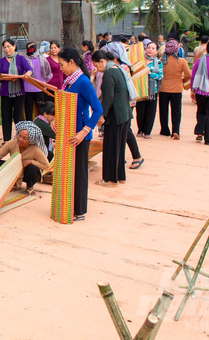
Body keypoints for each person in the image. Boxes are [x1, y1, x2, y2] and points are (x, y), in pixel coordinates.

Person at [58, 48, 103, 219]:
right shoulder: (69, 81)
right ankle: (69, 205)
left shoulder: (83, 82)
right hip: (68, 134)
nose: (60, 68)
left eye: (62, 64)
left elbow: (98, 110)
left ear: (71, 62)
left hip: (79, 136)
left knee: (79, 174)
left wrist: (84, 132)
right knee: (70, 172)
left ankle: (80, 210)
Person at [93, 49, 131, 186]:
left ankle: (110, 179)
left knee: (111, 147)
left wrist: (101, 115)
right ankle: (120, 176)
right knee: (119, 147)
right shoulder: (118, 69)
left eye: (97, 66)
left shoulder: (109, 73)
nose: (97, 69)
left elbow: (108, 97)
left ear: (102, 61)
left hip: (115, 115)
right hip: (124, 113)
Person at [105, 42, 144, 170]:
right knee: (124, 131)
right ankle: (121, 158)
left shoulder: (121, 67)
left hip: (124, 103)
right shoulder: (121, 66)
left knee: (125, 130)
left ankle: (137, 156)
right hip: (126, 101)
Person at [0, 121, 50, 193]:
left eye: (24, 138)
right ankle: (8, 183)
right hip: (13, 170)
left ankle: (29, 186)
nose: (20, 139)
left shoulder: (36, 150)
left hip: (26, 173)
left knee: (33, 169)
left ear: (30, 140)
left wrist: (30, 162)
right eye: (20, 135)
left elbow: (46, 166)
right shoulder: (12, 143)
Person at [0, 39, 32, 143]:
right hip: (5, 92)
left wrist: (28, 73)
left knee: (18, 116)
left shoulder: (21, 59)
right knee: (6, 116)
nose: (7, 49)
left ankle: (21, 139)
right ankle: (7, 140)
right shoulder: (1, 61)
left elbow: (29, 69)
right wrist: (8, 78)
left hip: (19, 92)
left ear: (14, 46)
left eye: (9, 46)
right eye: (5, 47)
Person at [158, 38, 191, 139]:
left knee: (163, 110)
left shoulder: (161, 61)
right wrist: (182, 81)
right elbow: (189, 75)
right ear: (177, 50)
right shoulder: (181, 61)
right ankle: (175, 130)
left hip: (163, 88)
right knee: (176, 111)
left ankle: (164, 130)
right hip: (177, 89)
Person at [135, 40, 163, 139]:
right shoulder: (140, 61)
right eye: (149, 48)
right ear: (145, 49)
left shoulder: (158, 62)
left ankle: (147, 131)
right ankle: (140, 129)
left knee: (150, 112)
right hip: (141, 89)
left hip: (152, 91)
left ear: (156, 51)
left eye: (153, 48)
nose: (150, 50)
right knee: (140, 111)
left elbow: (160, 76)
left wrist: (150, 74)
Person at [23, 41, 53, 120]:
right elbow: (49, 74)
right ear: (36, 49)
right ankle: (40, 125)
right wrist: (44, 82)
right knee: (41, 110)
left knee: (28, 110)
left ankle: (29, 127)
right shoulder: (43, 60)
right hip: (39, 88)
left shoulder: (25, 60)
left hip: (27, 89)